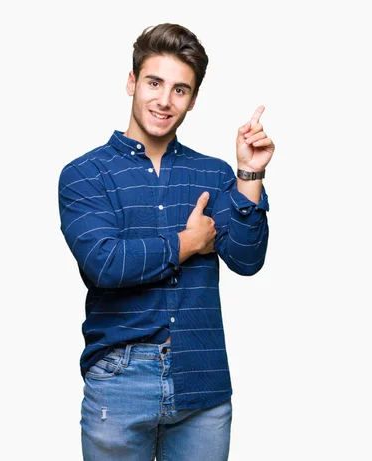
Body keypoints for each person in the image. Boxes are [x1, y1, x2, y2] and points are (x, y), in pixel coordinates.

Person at [57, 23, 274, 460]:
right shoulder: (85, 175)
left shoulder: (213, 174)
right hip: (120, 382)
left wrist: (249, 175)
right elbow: (106, 264)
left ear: (192, 99)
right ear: (132, 81)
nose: (164, 100)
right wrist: (188, 242)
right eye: (154, 83)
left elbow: (247, 259)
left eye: (180, 89)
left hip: (203, 379)